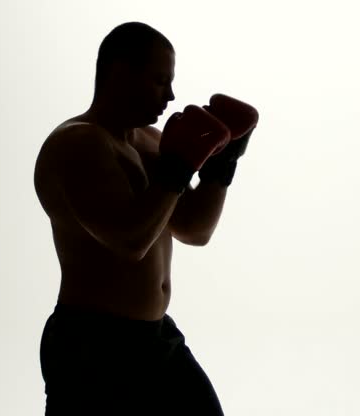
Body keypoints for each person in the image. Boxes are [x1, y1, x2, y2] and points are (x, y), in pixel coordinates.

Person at [33, 21, 259, 415]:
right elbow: (129, 241)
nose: (170, 96)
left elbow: (194, 229)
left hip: (156, 339)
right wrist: (179, 167)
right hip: (92, 345)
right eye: (159, 81)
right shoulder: (77, 143)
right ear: (119, 72)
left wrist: (221, 166)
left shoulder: (152, 142)